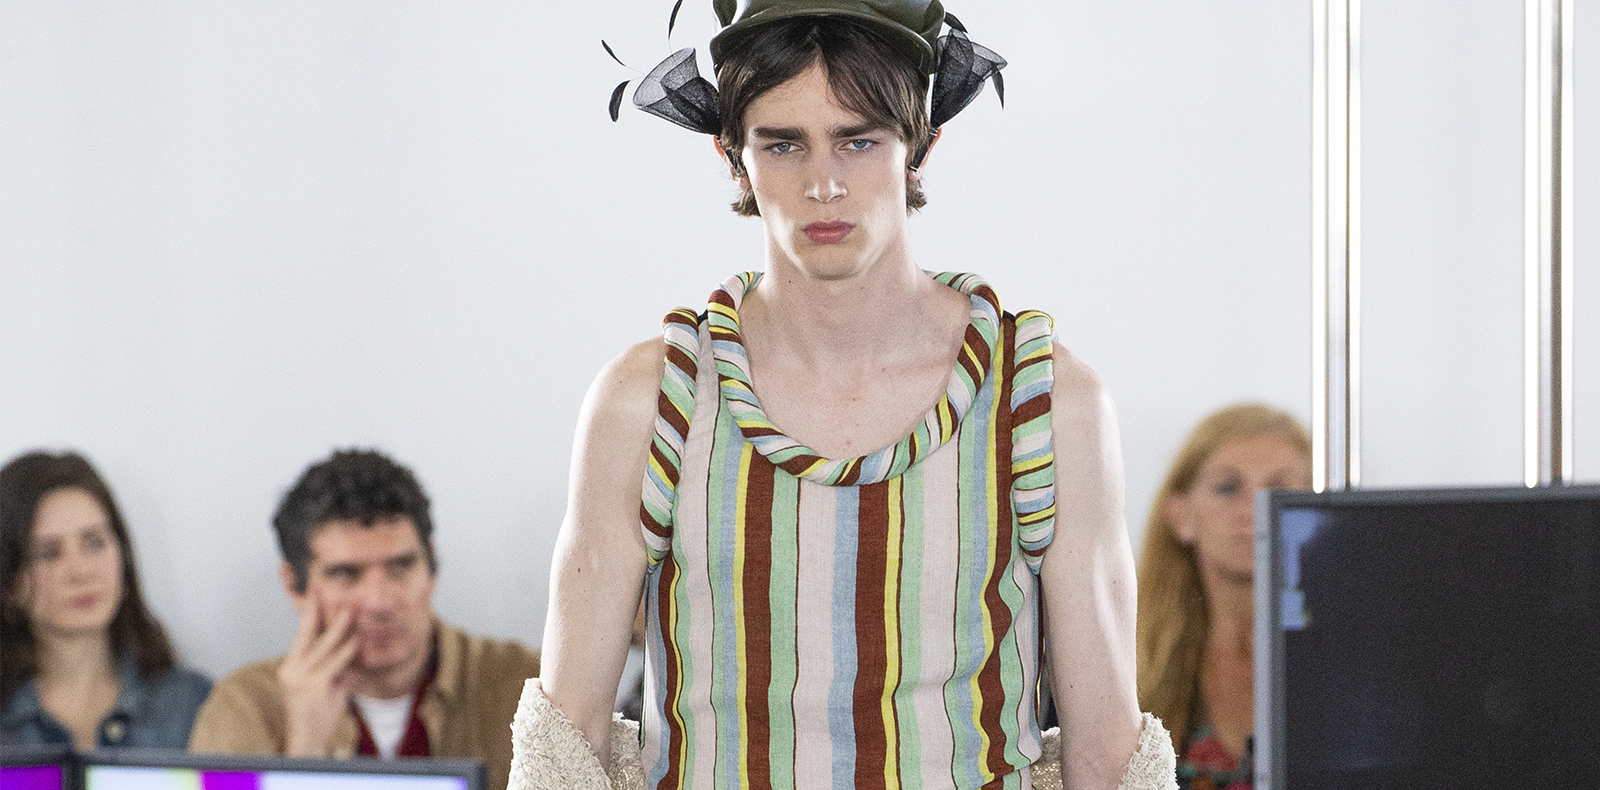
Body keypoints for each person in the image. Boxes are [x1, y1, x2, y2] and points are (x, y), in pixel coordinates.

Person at [512, 3, 1178, 789]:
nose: (823, 184)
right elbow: (565, 746)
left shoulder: (1045, 401)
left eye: (859, 141)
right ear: (733, 159)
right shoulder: (653, 399)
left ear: (919, 149)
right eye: (783, 144)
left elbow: (1108, 755)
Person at [189, 449, 539, 790]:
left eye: (401, 566)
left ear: (431, 568)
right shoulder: (244, 706)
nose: (378, 602)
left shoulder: (528, 685)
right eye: (345, 574)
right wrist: (304, 753)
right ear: (294, 586)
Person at [1134, 404, 1312, 790]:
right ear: (1180, 514)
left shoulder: (1361, 662)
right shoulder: (1128, 665)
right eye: (1228, 488)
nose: (1255, 509)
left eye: (1280, 490)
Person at [0, 450, 211, 749]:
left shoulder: (190, 704)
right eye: (48, 553)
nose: (81, 572)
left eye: (94, 543)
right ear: (8, 581)